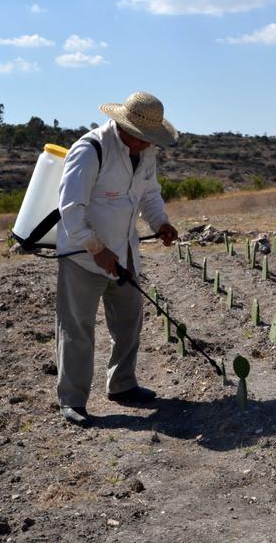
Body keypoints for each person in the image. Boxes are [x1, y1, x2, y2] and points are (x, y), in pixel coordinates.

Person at [55, 91, 179, 427]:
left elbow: (149, 195)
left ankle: (122, 384)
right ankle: (73, 399)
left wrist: (160, 222)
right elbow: (71, 209)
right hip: (83, 256)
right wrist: (97, 249)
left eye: (150, 140)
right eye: (142, 138)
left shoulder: (146, 152)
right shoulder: (90, 149)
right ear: (123, 126)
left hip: (124, 252)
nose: (145, 145)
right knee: (76, 328)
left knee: (128, 322)